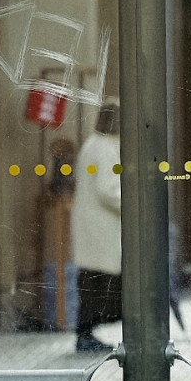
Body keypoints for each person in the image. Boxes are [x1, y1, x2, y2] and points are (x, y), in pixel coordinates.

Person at [71, 101, 123, 352]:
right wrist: (133, 205)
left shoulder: (93, 144)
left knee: (93, 281)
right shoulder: (106, 148)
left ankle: (86, 333)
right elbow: (108, 189)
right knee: (99, 283)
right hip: (103, 226)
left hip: (93, 226)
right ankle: (86, 333)